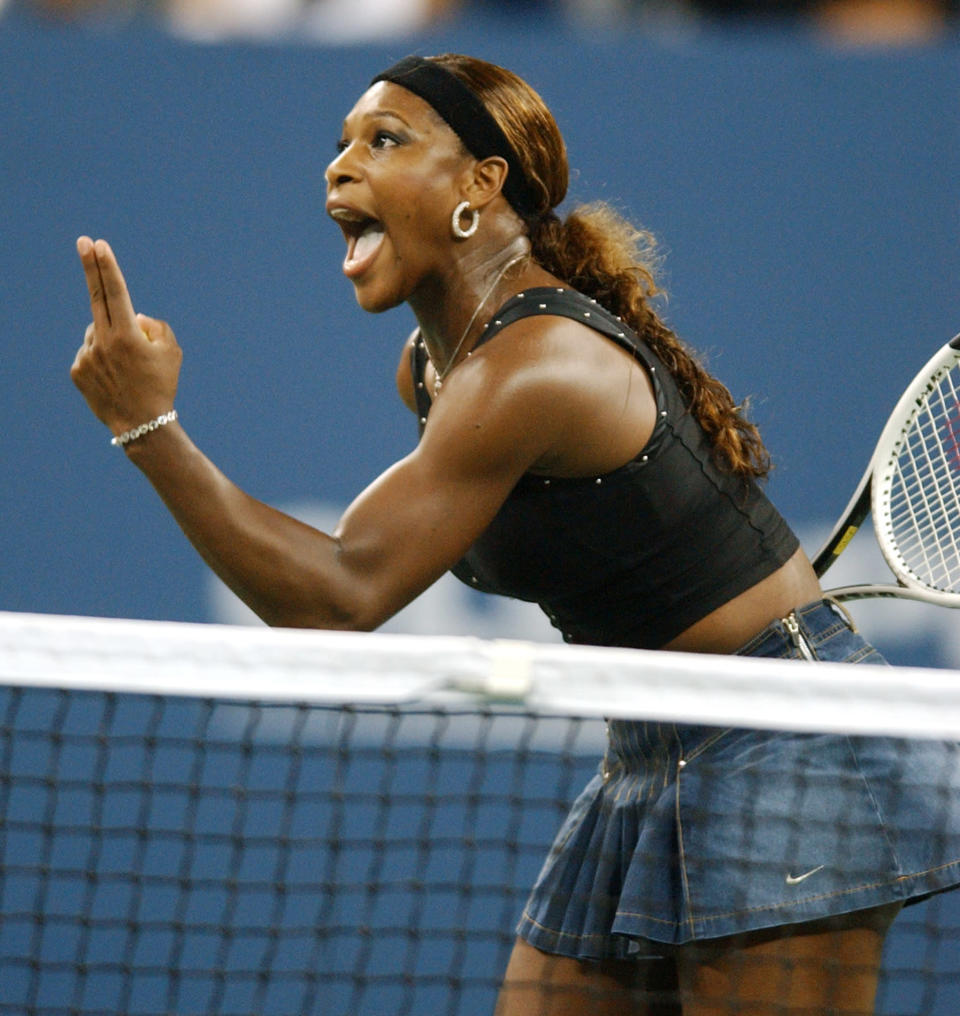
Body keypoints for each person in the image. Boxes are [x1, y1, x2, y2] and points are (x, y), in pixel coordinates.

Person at [70, 53, 960, 1015]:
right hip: (651, 750)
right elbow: (339, 571)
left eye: (384, 139)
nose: (339, 166)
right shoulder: (436, 370)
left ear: (479, 185)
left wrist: (149, 429)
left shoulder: (533, 367)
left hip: (790, 741)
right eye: (339, 146)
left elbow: (335, 599)